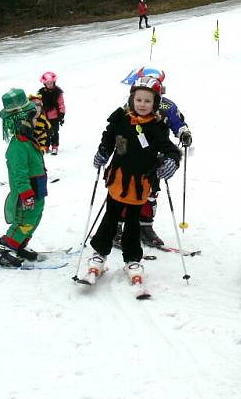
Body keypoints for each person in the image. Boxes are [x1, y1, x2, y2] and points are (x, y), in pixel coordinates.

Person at [77, 77, 181, 286]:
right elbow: (108, 137)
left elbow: (170, 148)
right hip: (118, 179)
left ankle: (132, 259)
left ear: (155, 103)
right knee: (111, 217)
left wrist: (172, 160)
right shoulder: (121, 120)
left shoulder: (156, 127)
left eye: (148, 101)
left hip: (139, 183)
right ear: (132, 99)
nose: (142, 104)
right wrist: (103, 152)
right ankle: (99, 254)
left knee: (133, 222)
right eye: (139, 100)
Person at [114, 66, 192, 248]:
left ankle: (145, 227)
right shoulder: (131, 104)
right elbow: (119, 130)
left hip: (156, 157)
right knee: (124, 189)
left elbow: (178, 123)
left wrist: (184, 133)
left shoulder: (167, 105)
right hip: (131, 157)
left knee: (150, 192)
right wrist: (119, 150)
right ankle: (116, 227)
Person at [0, 89, 48, 267]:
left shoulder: (28, 140)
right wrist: (26, 194)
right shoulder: (18, 146)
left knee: (35, 218)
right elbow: (19, 174)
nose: (35, 122)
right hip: (27, 193)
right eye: (32, 119)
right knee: (24, 221)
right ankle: (6, 248)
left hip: (37, 189)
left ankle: (19, 245)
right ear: (21, 122)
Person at [39, 72, 65, 154]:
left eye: (51, 83)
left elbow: (61, 104)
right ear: (44, 84)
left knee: (54, 132)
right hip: (45, 117)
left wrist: (61, 114)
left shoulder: (58, 93)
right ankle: (46, 146)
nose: (49, 85)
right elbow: (39, 104)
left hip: (55, 117)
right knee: (45, 133)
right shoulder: (42, 93)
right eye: (47, 83)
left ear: (54, 82)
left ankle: (55, 146)